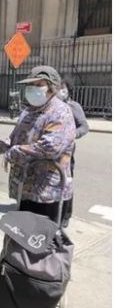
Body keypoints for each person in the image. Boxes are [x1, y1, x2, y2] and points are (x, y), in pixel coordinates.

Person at [0, 66, 76, 226]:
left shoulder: (60, 112)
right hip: (25, 188)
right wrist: (0, 146)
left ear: (52, 87)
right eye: (29, 85)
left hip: (47, 193)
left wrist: (14, 152)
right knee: (22, 238)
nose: (32, 89)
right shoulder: (29, 111)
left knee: (42, 243)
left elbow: (50, 148)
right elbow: (17, 139)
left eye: (38, 85)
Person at [57, 76, 89, 226]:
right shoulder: (52, 106)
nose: (60, 91)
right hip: (52, 151)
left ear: (69, 90)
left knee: (66, 183)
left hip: (67, 153)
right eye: (57, 88)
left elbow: (84, 126)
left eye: (63, 88)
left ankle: (65, 215)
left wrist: (73, 134)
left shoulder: (73, 106)